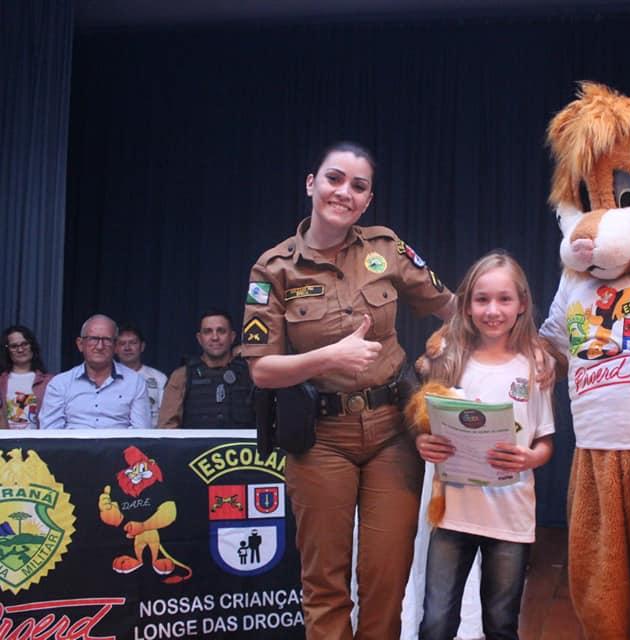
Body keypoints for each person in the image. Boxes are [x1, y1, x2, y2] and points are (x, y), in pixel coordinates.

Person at [242, 141, 456, 640]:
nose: (344, 192)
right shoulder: (274, 268)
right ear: (311, 183)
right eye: (334, 179)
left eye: (358, 186)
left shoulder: (386, 249)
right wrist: (328, 358)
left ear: (367, 200)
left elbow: (452, 308)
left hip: (392, 433)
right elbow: (262, 370)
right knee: (325, 583)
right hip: (320, 439)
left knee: (386, 580)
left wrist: (511, 346)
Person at [414, 250, 555, 640]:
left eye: (504, 299)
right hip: (452, 515)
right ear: (466, 305)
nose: (493, 310)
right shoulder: (447, 359)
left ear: (522, 304)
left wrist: (530, 457)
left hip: (510, 517)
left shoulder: (536, 365)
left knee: (501, 624)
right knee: (436, 623)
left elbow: (545, 440)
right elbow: (424, 425)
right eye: (482, 299)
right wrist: (424, 442)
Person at [39, 314, 150, 429]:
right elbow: (50, 432)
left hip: (120, 441)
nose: (100, 346)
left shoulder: (135, 382)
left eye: (107, 340)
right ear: (80, 344)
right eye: (93, 339)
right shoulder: (60, 384)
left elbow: (141, 432)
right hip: (72, 441)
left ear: (115, 345)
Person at [158, 310, 255, 428]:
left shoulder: (251, 372)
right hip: (195, 441)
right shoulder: (182, 376)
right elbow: (167, 427)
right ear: (199, 338)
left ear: (232, 336)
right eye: (208, 332)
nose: (215, 337)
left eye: (221, 331)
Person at [0, 324, 54, 429]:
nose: (20, 350)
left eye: (24, 344)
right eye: (14, 346)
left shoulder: (50, 381)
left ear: (32, 345)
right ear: (7, 350)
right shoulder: (1, 381)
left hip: (40, 439)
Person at [115, 323, 167, 427]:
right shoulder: (107, 378)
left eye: (133, 343)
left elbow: (165, 416)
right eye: (122, 343)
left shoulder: (159, 378)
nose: (127, 348)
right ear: (115, 348)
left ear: (142, 346)